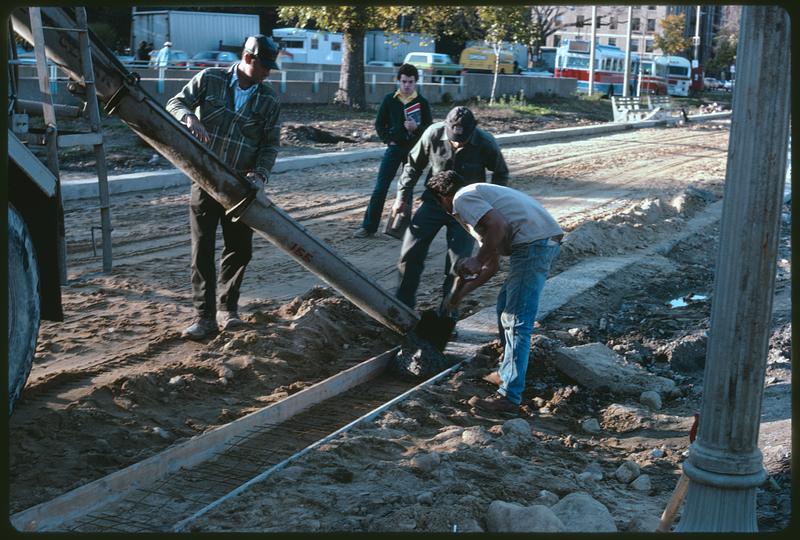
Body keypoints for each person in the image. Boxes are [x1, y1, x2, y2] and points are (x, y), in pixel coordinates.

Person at [166, 35, 282, 340]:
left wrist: (260, 176)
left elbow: (270, 145)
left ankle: (227, 310)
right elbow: (174, 102)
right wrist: (189, 116)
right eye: (264, 65)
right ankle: (204, 318)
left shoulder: (268, 100)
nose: (268, 72)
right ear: (248, 58)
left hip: (241, 187)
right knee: (201, 248)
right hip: (204, 178)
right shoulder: (210, 79)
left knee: (239, 249)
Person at [427, 170, 563, 414]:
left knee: (515, 321)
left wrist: (476, 261)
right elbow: (492, 265)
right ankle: (507, 373)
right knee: (504, 309)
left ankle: (509, 397)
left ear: (442, 198)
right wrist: (457, 297)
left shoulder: (462, 199)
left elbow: (498, 228)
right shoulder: (478, 199)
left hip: (532, 245)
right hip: (539, 242)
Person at [392, 106, 509, 312]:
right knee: (410, 253)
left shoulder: (485, 142)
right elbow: (412, 166)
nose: (457, 142)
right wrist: (402, 197)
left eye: (462, 140)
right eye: (454, 137)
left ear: (473, 130)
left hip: (468, 209)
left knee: (459, 264)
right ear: (447, 126)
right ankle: (402, 306)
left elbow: (501, 173)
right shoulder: (433, 133)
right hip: (434, 202)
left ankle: (446, 313)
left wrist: (491, 204)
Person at [353, 63, 432, 238]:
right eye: (404, 81)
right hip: (394, 148)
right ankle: (369, 227)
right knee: (381, 187)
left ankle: (401, 229)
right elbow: (379, 124)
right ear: (398, 81)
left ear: (416, 82)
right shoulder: (390, 99)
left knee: (407, 189)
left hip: (413, 151)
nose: (407, 85)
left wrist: (416, 128)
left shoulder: (422, 102)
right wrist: (389, 140)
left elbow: (429, 129)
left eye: (410, 82)